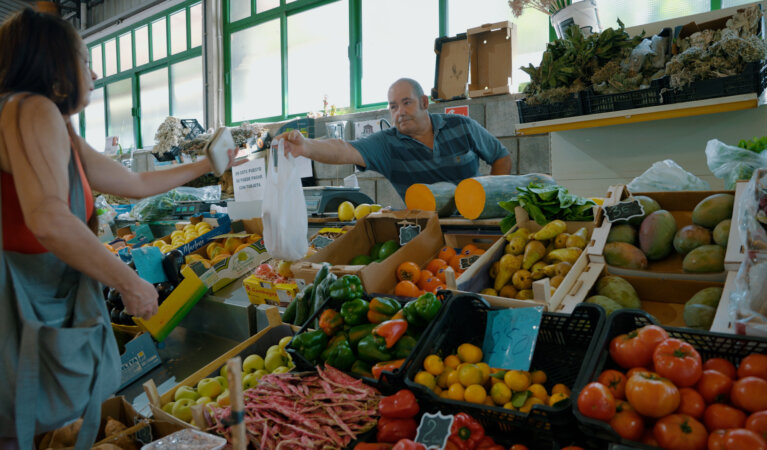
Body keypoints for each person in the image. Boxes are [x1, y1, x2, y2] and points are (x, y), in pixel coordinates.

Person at [0, 9, 239, 449]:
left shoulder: (55, 126)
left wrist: (210, 164)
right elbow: (48, 217)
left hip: (35, 311)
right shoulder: (30, 110)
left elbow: (134, 184)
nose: (93, 73)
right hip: (19, 312)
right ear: (53, 63)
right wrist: (129, 282)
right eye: (83, 59)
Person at [277, 78, 512, 198]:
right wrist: (306, 147)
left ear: (424, 102)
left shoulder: (462, 126)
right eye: (393, 106)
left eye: (406, 103)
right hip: (425, 231)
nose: (399, 111)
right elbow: (343, 149)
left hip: (475, 224)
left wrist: (489, 199)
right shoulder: (387, 144)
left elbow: (501, 157)